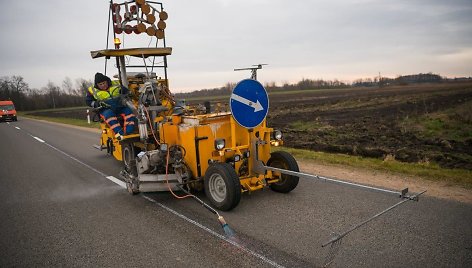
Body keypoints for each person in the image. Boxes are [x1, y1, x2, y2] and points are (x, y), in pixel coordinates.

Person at [86, 72, 136, 140]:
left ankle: (128, 132)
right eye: (100, 84)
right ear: (97, 85)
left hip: (120, 107)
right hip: (105, 109)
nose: (103, 85)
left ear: (107, 81)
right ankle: (119, 133)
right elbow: (88, 101)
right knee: (109, 115)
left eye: (104, 83)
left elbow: (125, 91)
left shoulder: (115, 84)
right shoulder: (92, 90)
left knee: (129, 111)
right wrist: (97, 104)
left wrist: (128, 93)